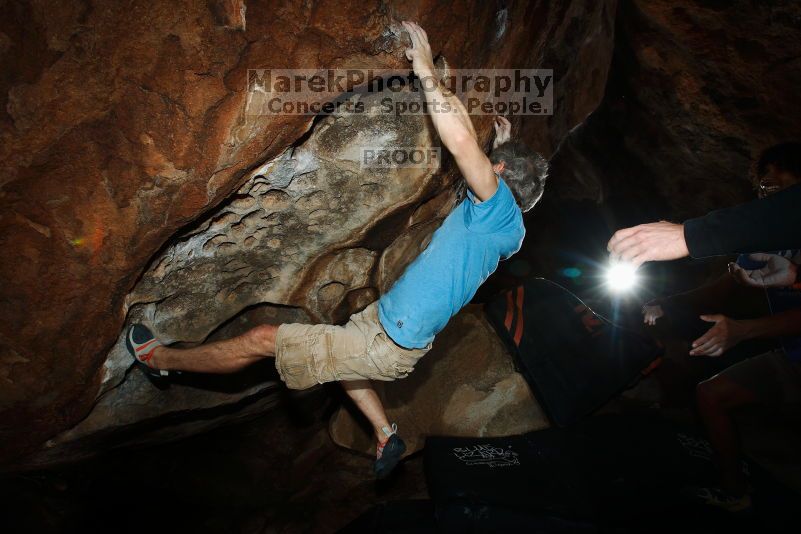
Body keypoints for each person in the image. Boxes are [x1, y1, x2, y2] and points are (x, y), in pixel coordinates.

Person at [125, 21, 548, 479]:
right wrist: (503, 146)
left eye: (494, 165)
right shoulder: (508, 229)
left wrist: (427, 71)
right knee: (345, 359)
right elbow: (484, 165)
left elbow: (463, 143)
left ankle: (159, 360)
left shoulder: (498, 208)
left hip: (389, 341)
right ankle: (386, 433)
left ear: (499, 173)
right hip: (394, 331)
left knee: (262, 340)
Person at [607, 143, 801, 267]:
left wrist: (689, 235)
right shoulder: (758, 246)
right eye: (763, 180)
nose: (767, 181)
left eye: (781, 169)